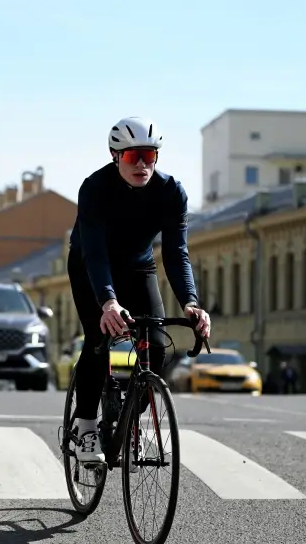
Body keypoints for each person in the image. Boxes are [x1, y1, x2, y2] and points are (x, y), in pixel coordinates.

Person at [68, 116, 212, 464]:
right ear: (116, 156)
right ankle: (85, 427)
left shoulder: (171, 192)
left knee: (158, 348)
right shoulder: (95, 188)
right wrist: (108, 302)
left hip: (137, 266)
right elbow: (96, 253)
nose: (143, 164)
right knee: (99, 340)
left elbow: (176, 253)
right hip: (90, 264)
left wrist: (191, 302)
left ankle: (128, 418)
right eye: (134, 157)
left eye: (150, 156)